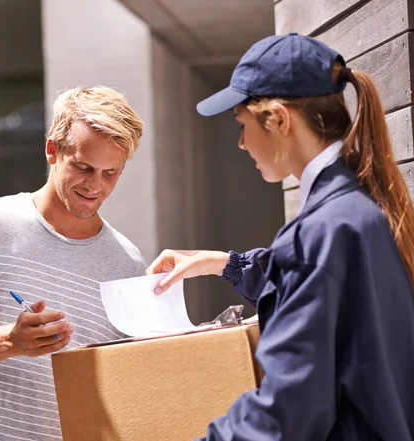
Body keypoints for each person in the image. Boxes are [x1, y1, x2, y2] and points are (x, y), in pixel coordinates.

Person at [147, 33, 414, 441]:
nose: (240, 143)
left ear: (279, 120)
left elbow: (286, 412)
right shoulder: (365, 209)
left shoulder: (320, 233)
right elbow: (312, 285)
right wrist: (222, 263)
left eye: (242, 124)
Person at [0, 86, 147, 441]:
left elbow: (127, 386)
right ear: (52, 149)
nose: (95, 185)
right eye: (83, 167)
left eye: (110, 173)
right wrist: (10, 341)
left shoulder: (128, 264)